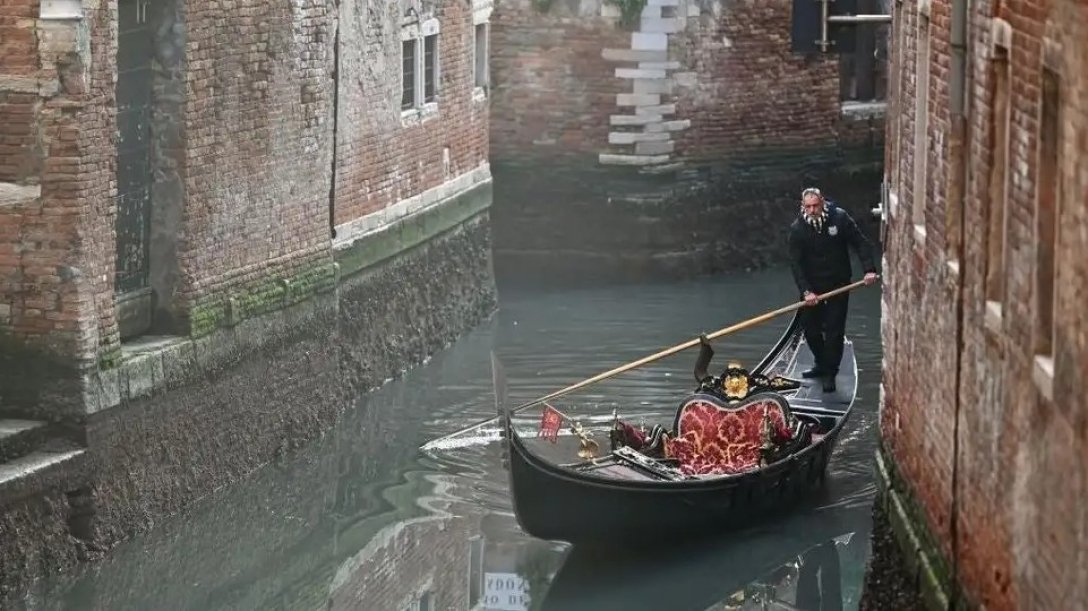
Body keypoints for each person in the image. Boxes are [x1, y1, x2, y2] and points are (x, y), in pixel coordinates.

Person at [787, 187, 877, 392]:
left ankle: (830, 372)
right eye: (807, 207)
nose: (812, 210)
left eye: (815, 205)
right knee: (810, 330)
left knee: (835, 331)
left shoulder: (840, 218)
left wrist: (869, 270)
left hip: (839, 283)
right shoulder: (797, 229)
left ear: (822, 202)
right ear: (803, 207)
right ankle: (821, 363)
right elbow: (796, 264)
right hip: (812, 287)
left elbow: (860, 243)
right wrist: (806, 291)